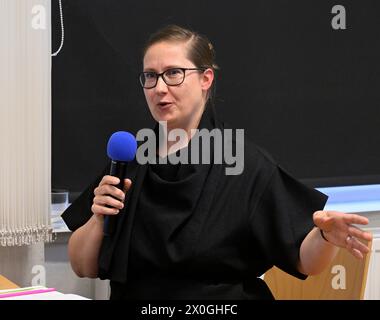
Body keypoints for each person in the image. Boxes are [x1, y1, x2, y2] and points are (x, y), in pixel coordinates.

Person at [62, 24, 372, 300]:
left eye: (173, 73)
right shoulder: (129, 157)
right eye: (150, 76)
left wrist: (325, 236)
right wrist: (98, 218)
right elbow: (82, 266)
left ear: (205, 78)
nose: (159, 88)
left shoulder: (244, 164)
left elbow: (305, 260)